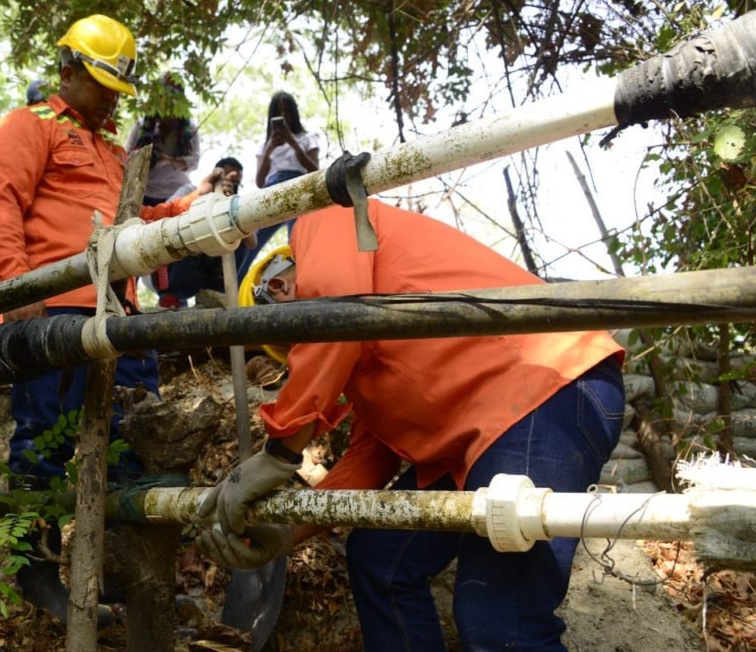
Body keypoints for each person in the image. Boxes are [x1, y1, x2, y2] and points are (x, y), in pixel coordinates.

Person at [197, 200, 626, 651]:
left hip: (542, 387)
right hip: (492, 430)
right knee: (381, 557)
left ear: (282, 271)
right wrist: (287, 533)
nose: (281, 290)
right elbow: (368, 462)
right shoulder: (368, 369)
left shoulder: (333, 217)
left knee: (503, 621)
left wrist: (280, 452)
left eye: (269, 289)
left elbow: (335, 308)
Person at [0, 13, 159, 623]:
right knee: (42, 444)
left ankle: (116, 570)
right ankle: (33, 567)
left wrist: (200, 206)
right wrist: (17, 288)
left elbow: (137, 220)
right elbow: (3, 200)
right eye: (103, 82)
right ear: (69, 69)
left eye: (118, 88)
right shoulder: (30, 125)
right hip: (53, 311)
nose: (112, 98)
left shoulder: (113, 150)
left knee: (130, 442)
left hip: (118, 316)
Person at [236, 91, 319, 280]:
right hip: (270, 192)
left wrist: (293, 142)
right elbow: (259, 181)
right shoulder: (265, 145)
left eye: (287, 112)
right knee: (251, 240)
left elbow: (315, 171)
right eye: (278, 113)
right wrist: (268, 150)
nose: (284, 117)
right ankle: (235, 286)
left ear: (294, 114)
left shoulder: (307, 138)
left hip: (297, 187)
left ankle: (300, 285)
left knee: (296, 240)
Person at [152, 157, 247, 307]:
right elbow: (162, 220)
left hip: (207, 273)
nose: (230, 183)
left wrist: (231, 208)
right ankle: (170, 297)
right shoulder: (190, 191)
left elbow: (252, 242)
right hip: (178, 271)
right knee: (180, 227)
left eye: (236, 183)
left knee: (242, 235)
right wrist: (206, 195)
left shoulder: (236, 201)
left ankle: (215, 294)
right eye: (226, 178)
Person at [125, 73, 201, 206]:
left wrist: (169, 160)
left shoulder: (190, 129)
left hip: (176, 193)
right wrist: (145, 158)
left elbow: (194, 162)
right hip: (143, 193)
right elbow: (125, 158)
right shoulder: (142, 125)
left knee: (194, 191)